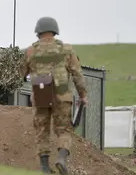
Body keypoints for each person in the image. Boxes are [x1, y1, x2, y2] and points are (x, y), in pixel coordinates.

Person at [20, 17, 88, 174]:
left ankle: (45, 168)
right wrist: (83, 95)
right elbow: (77, 74)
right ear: (55, 30)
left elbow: (22, 73)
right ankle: (61, 159)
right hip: (62, 95)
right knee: (64, 130)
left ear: (38, 32)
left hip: (41, 94)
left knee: (42, 130)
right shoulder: (67, 50)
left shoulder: (30, 51)